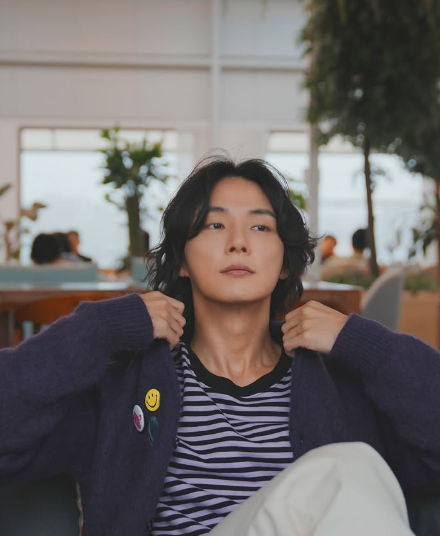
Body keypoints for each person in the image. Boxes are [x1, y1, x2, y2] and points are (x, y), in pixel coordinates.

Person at [2, 156, 440, 536]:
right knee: (347, 467)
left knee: (352, 467)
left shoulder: (335, 385)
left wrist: (363, 344)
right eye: (215, 224)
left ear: (284, 264)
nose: (238, 242)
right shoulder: (126, 382)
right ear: (182, 260)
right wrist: (103, 329)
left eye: (260, 226)